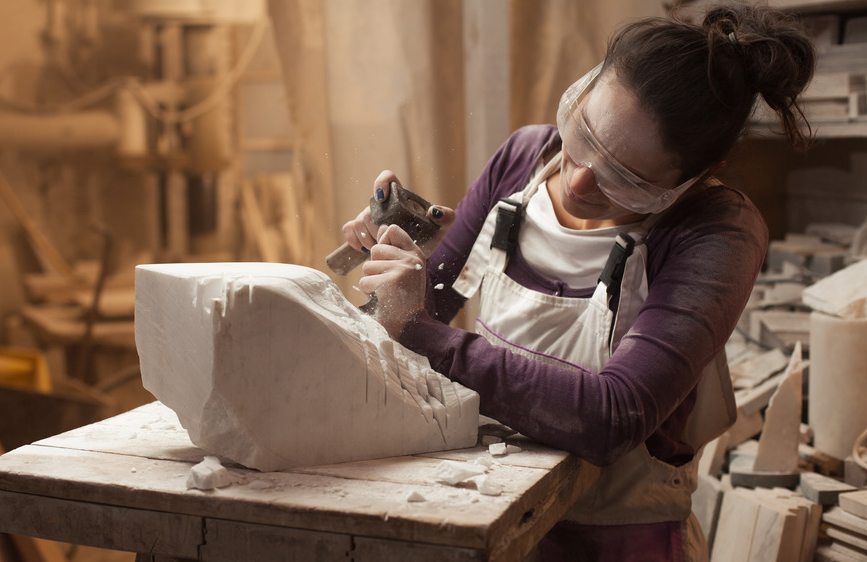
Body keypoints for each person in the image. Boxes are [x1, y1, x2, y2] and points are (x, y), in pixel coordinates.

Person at [340, 3, 815, 561]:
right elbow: (426, 307)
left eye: (626, 178)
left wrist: (418, 327)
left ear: (690, 179)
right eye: (584, 132)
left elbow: (613, 418)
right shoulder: (523, 159)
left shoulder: (716, 232)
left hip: (619, 538)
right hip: (490, 508)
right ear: (585, 89)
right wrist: (396, 260)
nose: (579, 179)